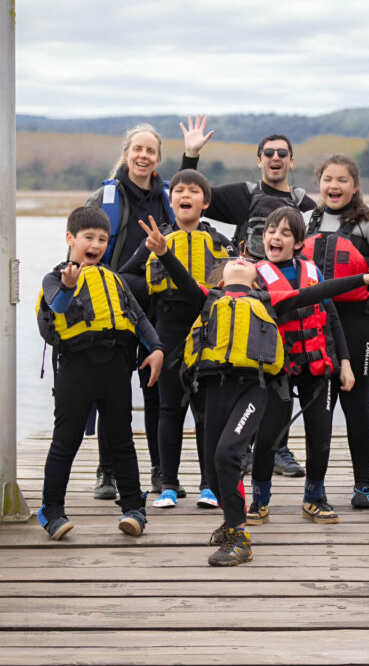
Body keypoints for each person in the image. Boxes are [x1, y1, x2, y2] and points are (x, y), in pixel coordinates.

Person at [139, 216, 369, 565]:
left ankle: (238, 536)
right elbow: (185, 282)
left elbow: (317, 292)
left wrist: (366, 277)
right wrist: (164, 253)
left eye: (245, 262)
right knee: (217, 472)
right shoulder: (209, 298)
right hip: (217, 389)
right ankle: (231, 522)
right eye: (232, 261)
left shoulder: (269, 299)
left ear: (255, 276)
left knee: (227, 456)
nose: (239, 261)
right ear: (221, 277)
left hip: (254, 388)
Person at [181, 127, 316, 478]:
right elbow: (191, 194)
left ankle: (279, 446)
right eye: (268, 153)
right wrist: (191, 154)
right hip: (244, 300)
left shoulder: (305, 205)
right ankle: (242, 449)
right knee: (246, 375)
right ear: (259, 160)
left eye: (282, 153)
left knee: (279, 376)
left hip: (282, 300)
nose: (275, 158)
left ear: (290, 160)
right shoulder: (244, 194)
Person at [35, 206, 165, 540]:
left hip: (114, 370)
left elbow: (139, 320)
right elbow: (58, 306)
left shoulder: (115, 279)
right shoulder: (55, 278)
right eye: (88, 238)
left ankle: (135, 510)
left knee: (122, 441)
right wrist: (67, 286)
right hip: (76, 369)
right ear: (70, 239)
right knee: (66, 442)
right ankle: (51, 511)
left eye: (102, 239)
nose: (95, 244)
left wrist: (157, 350)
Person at [119, 169, 234, 511]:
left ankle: (209, 485)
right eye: (179, 191)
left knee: (206, 412)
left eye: (193, 191)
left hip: (207, 331)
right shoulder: (157, 239)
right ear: (171, 203)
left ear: (205, 202)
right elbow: (126, 277)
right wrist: (154, 288)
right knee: (169, 408)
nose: (186, 195)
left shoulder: (218, 241)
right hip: (168, 329)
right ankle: (168, 484)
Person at [303, 154, 369, 509]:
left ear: (355, 186)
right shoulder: (305, 220)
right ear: (319, 182)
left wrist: (358, 267)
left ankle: (363, 484)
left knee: (358, 404)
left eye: (343, 180)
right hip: (316, 325)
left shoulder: (368, 224)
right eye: (328, 179)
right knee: (320, 408)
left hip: (358, 322)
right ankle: (316, 487)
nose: (334, 186)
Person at [248, 207, 355, 526]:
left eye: (284, 232)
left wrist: (345, 362)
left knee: (320, 434)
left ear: (298, 243)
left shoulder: (312, 272)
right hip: (276, 369)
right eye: (270, 230)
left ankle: (314, 497)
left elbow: (332, 318)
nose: (274, 237)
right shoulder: (255, 275)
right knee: (267, 436)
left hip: (316, 366)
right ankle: (259, 501)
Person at [84, 123, 175, 498]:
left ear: (157, 158)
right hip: (115, 308)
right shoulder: (104, 198)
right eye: (137, 149)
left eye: (150, 151)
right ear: (126, 154)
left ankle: (158, 469)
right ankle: (107, 472)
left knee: (155, 392)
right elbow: (83, 250)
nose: (143, 156)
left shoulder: (168, 198)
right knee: (113, 391)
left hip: (157, 309)